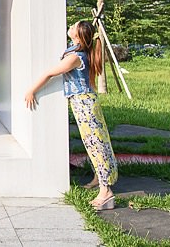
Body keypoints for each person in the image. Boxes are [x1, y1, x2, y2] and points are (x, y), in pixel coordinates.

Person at [25, 18, 118, 210]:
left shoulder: (76, 57)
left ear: (77, 35)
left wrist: (31, 90)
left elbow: (50, 73)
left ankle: (106, 192)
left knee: (96, 144)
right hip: (84, 102)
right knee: (93, 141)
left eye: (73, 26)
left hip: (84, 103)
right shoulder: (77, 50)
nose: (70, 26)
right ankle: (97, 178)